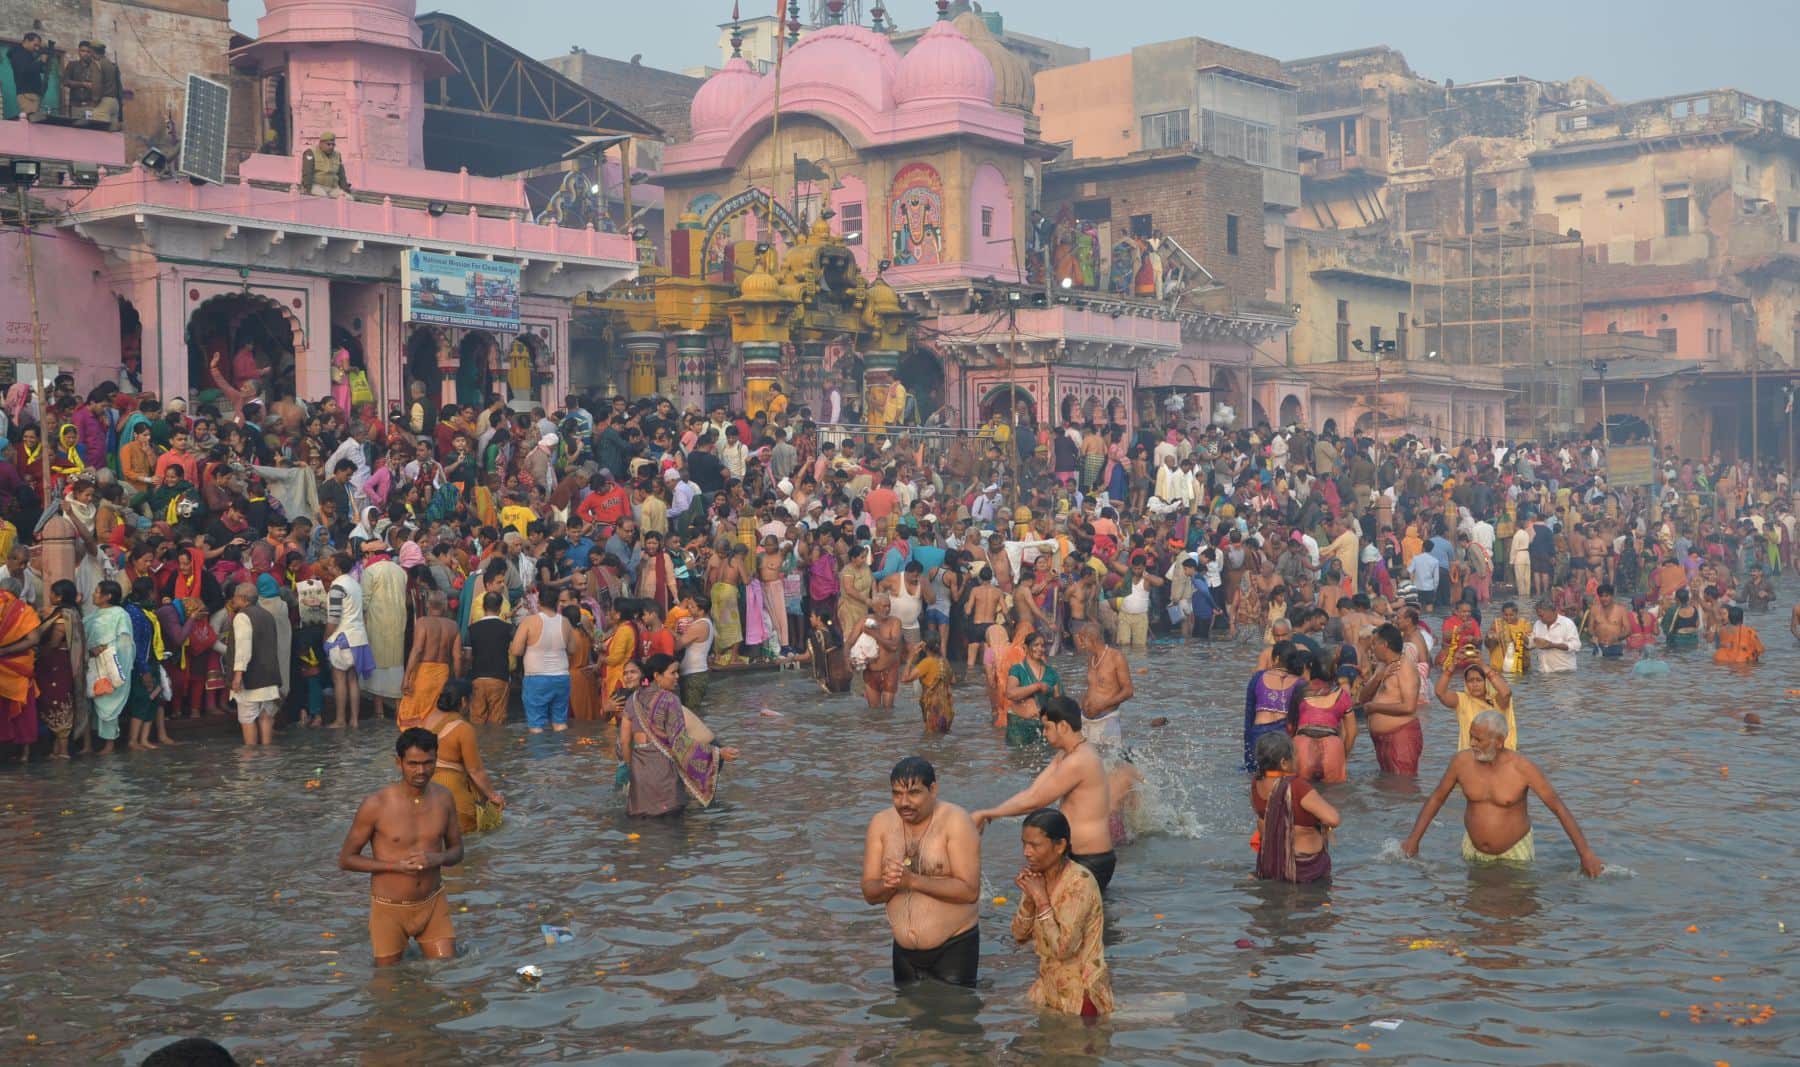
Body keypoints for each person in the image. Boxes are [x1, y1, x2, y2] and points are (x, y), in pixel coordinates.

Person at [1401, 710, 1604, 876]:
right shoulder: (1461, 762)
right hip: (1472, 851)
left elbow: (1558, 808)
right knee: (1474, 914)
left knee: (1512, 912)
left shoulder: (1523, 768)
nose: (1471, 743)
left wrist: (1586, 854)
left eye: (1478, 739)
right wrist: (1413, 840)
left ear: (1499, 741)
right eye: (1471, 736)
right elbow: (1437, 799)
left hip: (1515, 854)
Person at [337, 728, 465, 965]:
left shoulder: (444, 797)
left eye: (428, 763)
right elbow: (346, 859)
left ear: (436, 760)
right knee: (387, 987)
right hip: (389, 910)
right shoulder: (376, 805)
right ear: (399, 762)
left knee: (448, 972)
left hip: (433, 903)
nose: (421, 771)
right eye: (413, 763)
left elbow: (458, 851)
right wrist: (396, 866)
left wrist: (436, 859)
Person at [859, 757, 982, 989]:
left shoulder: (956, 822)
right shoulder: (880, 824)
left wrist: (912, 881)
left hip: (954, 947)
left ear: (933, 790)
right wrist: (889, 885)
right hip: (903, 953)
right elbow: (868, 892)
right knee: (908, 1019)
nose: (904, 802)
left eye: (914, 793)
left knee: (954, 1021)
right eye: (896, 794)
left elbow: (969, 891)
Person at [973, 697, 1116, 892]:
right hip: (1078, 857)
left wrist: (988, 814)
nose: (1044, 733)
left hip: (1090, 860)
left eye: (1048, 727)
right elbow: (1033, 792)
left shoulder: (1079, 761)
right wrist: (992, 812)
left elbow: (1036, 802)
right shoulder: (1067, 754)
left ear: (1063, 726)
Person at [1009, 808, 1113, 1017]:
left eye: (1034, 845)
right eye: (1024, 844)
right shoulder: (1037, 877)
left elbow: (1064, 949)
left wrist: (1040, 899)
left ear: (1060, 846)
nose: (1026, 852)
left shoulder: (1080, 883)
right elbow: (1019, 936)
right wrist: (1030, 899)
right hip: (1048, 989)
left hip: (1081, 999)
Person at [618, 653, 739, 816]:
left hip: (640, 775)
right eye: (672, 673)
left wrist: (628, 768)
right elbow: (679, 744)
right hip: (664, 772)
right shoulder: (669, 699)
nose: (677, 677)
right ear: (657, 676)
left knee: (642, 821)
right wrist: (719, 753)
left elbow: (624, 742)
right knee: (672, 822)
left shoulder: (631, 700)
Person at [1250, 731, 1340, 883]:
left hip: (1271, 865)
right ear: (1284, 762)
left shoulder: (1256, 784)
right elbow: (1333, 819)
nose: (1298, 759)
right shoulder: (1296, 786)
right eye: (1295, 755)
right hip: (1303, 867)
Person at [421, 679, 504, 834]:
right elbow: (475, 770)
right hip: (452, 792)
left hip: (425, 789)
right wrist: (493, 796)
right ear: (464, 701)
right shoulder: (463, 728)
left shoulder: (426, 720)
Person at [1355, 623, 1422, 775]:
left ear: (1384, 644)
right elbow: (1363, 697)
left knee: (1403, 786)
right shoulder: (1381, 666)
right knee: (1387, 787)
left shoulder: (1405, 667)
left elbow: (1409, 707)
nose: (1371, 648)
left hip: (1401, 736)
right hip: (1381, 738)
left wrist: (1375, 708)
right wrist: (1379, 676)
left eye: (1374, 644)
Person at [510, 582, 573, 733]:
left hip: (536, 678)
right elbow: (572, 649)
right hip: (561, 677)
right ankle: (561, 755)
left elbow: (516, 651)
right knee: (560, 723)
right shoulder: (565, 622)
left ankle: (540, 755)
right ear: (557, 603)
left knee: (536, 725)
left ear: (538, 603)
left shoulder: (529, 621)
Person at [225, 581, 282, 747]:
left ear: (243, 598)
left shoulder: (242, 617)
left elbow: (243, 648)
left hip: (251, 678)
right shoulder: (267, 615)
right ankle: (267, 760)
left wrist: (237, 675)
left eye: (235, 597)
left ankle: (251, 763)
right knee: (266, 716)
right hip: (270, 675)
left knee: (247, 717)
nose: (233, 600)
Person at [322, 553, 373, 729]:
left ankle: (341, 719)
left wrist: (326, 637)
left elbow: (334, 618)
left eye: (330, 564)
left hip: (343, 637)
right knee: (353, 679)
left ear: (337, 567)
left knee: (339, 679)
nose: (328, 567)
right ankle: (354, 720)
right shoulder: (355, 584)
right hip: (358, 637)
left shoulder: (337, 586)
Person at [396, 591, 458, 730]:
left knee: (412, 715)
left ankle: (415, 748)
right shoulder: (453, 626)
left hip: (423, 673)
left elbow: (417, 650)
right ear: (445, 607)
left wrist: (406, 677)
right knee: (437, 714)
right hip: (443, 673)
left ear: (428, 605)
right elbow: (457, 657)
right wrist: (456, 680)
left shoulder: (422, 622)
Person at [1291, 653, 1354, 783]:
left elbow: (1290, 726)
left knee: (1302, 796)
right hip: (1332, 748)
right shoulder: (1342, 694)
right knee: (1334, 797)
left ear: (1311, 669)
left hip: (1303, 746)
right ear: (1333, 670)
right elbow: (1352, 733)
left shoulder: (1299, 690)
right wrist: (1343, 755)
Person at [1243, 644, 1305, 774]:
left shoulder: (1257, 677)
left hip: (1259, 734)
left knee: (1259, 776)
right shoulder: (1300, 683)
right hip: (1284, 736)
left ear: (1276, 659)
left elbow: (1249, 717)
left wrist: (1248, 758)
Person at [1435, 657, 1518, 752]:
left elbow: (1506, 693)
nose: (1474, 684)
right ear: (1466, 683)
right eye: (1470, 681)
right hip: (1471, 757)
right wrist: (1452, 665)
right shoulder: (1462, 700)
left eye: (1479, 680)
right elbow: (1440, 693)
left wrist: (1482, 664)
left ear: (1487, 682)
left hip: (1498, 757)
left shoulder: (1497, 700)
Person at [1075, 622, 1132, 749]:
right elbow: (1093, 688)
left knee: (1111, 763)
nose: (1081, 645)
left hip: (1107, 719)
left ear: (1092, 639)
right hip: (1085, 719)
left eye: (1082, 640)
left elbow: (1128, 691)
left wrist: (1103, 705)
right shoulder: (1091, 659)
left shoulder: (1116, 657)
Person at [1003, 629, 1060, 747]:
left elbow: (1060, 701)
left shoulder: (1051, 673)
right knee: (1018, 761)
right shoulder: (1017, 669)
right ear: (1025, 647)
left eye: (1042, 646)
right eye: (1036, 645)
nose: (1040, 649)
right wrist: (1037, 686)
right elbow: (1010, 693)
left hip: (1042, 727)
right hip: (1018, 727)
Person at [464, 591, 512, 725]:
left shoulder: (471, 629)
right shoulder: (508, 628)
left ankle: (479, 745)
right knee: (497, 722)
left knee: (476, 721)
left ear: (483, 607)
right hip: (499, 678)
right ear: (500, 607)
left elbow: (467, 658)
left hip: (478, 679)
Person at [900, 632, 955, 734]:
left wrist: (911, 657)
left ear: (924, 647)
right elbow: (953, 680)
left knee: (930, 740)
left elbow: (904, 679)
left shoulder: (927, 662)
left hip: (933, 710)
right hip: (947, 710)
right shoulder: (945, 662)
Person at [1529, 599, 1579, 672]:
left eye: (1541, 616)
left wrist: (1553, 645)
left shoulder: (1567, 623)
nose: (1540, 618)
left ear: (1554, 612)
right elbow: (1532, 643)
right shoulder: (1538, 624)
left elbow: (1576, 645)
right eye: (1538, 616)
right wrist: (1524, 638)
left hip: (1564, 672)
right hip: (1543, 672)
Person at [301, 131, 352, 197]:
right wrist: (307, 189)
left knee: (348, 199)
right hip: (316, 186)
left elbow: (341, 176)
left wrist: (346, 191)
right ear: (321, 143)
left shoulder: (337, 155)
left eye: (333, 145)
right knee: (323, 198)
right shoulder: (310, 153)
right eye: (328, 144)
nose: (331, 147)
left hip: (332, 188)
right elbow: (307, 172)